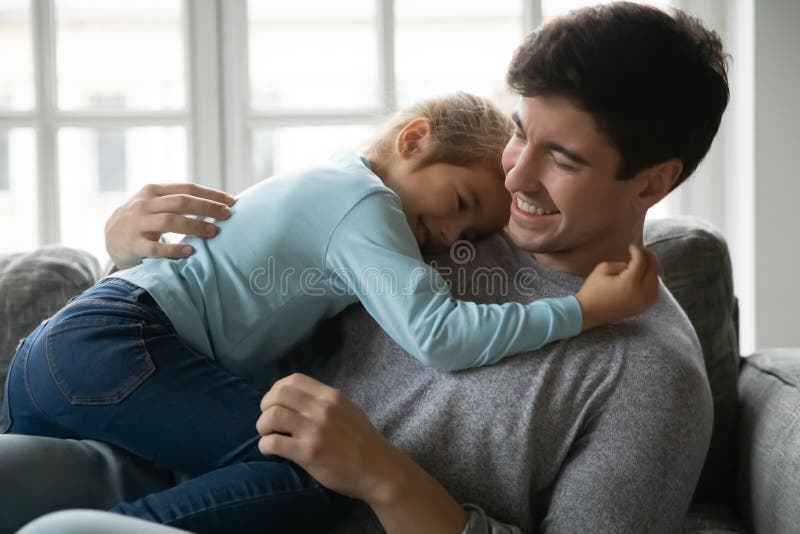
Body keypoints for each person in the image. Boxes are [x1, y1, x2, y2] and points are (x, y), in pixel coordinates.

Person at [2, 3, 728, 533]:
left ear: (652, 183)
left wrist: (384, 477)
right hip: (173, 460)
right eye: (519, 135)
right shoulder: (439, 226)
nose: (516, 177)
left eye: (561, 159)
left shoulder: (650, 377)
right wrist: (129, 252)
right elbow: (238, 302)